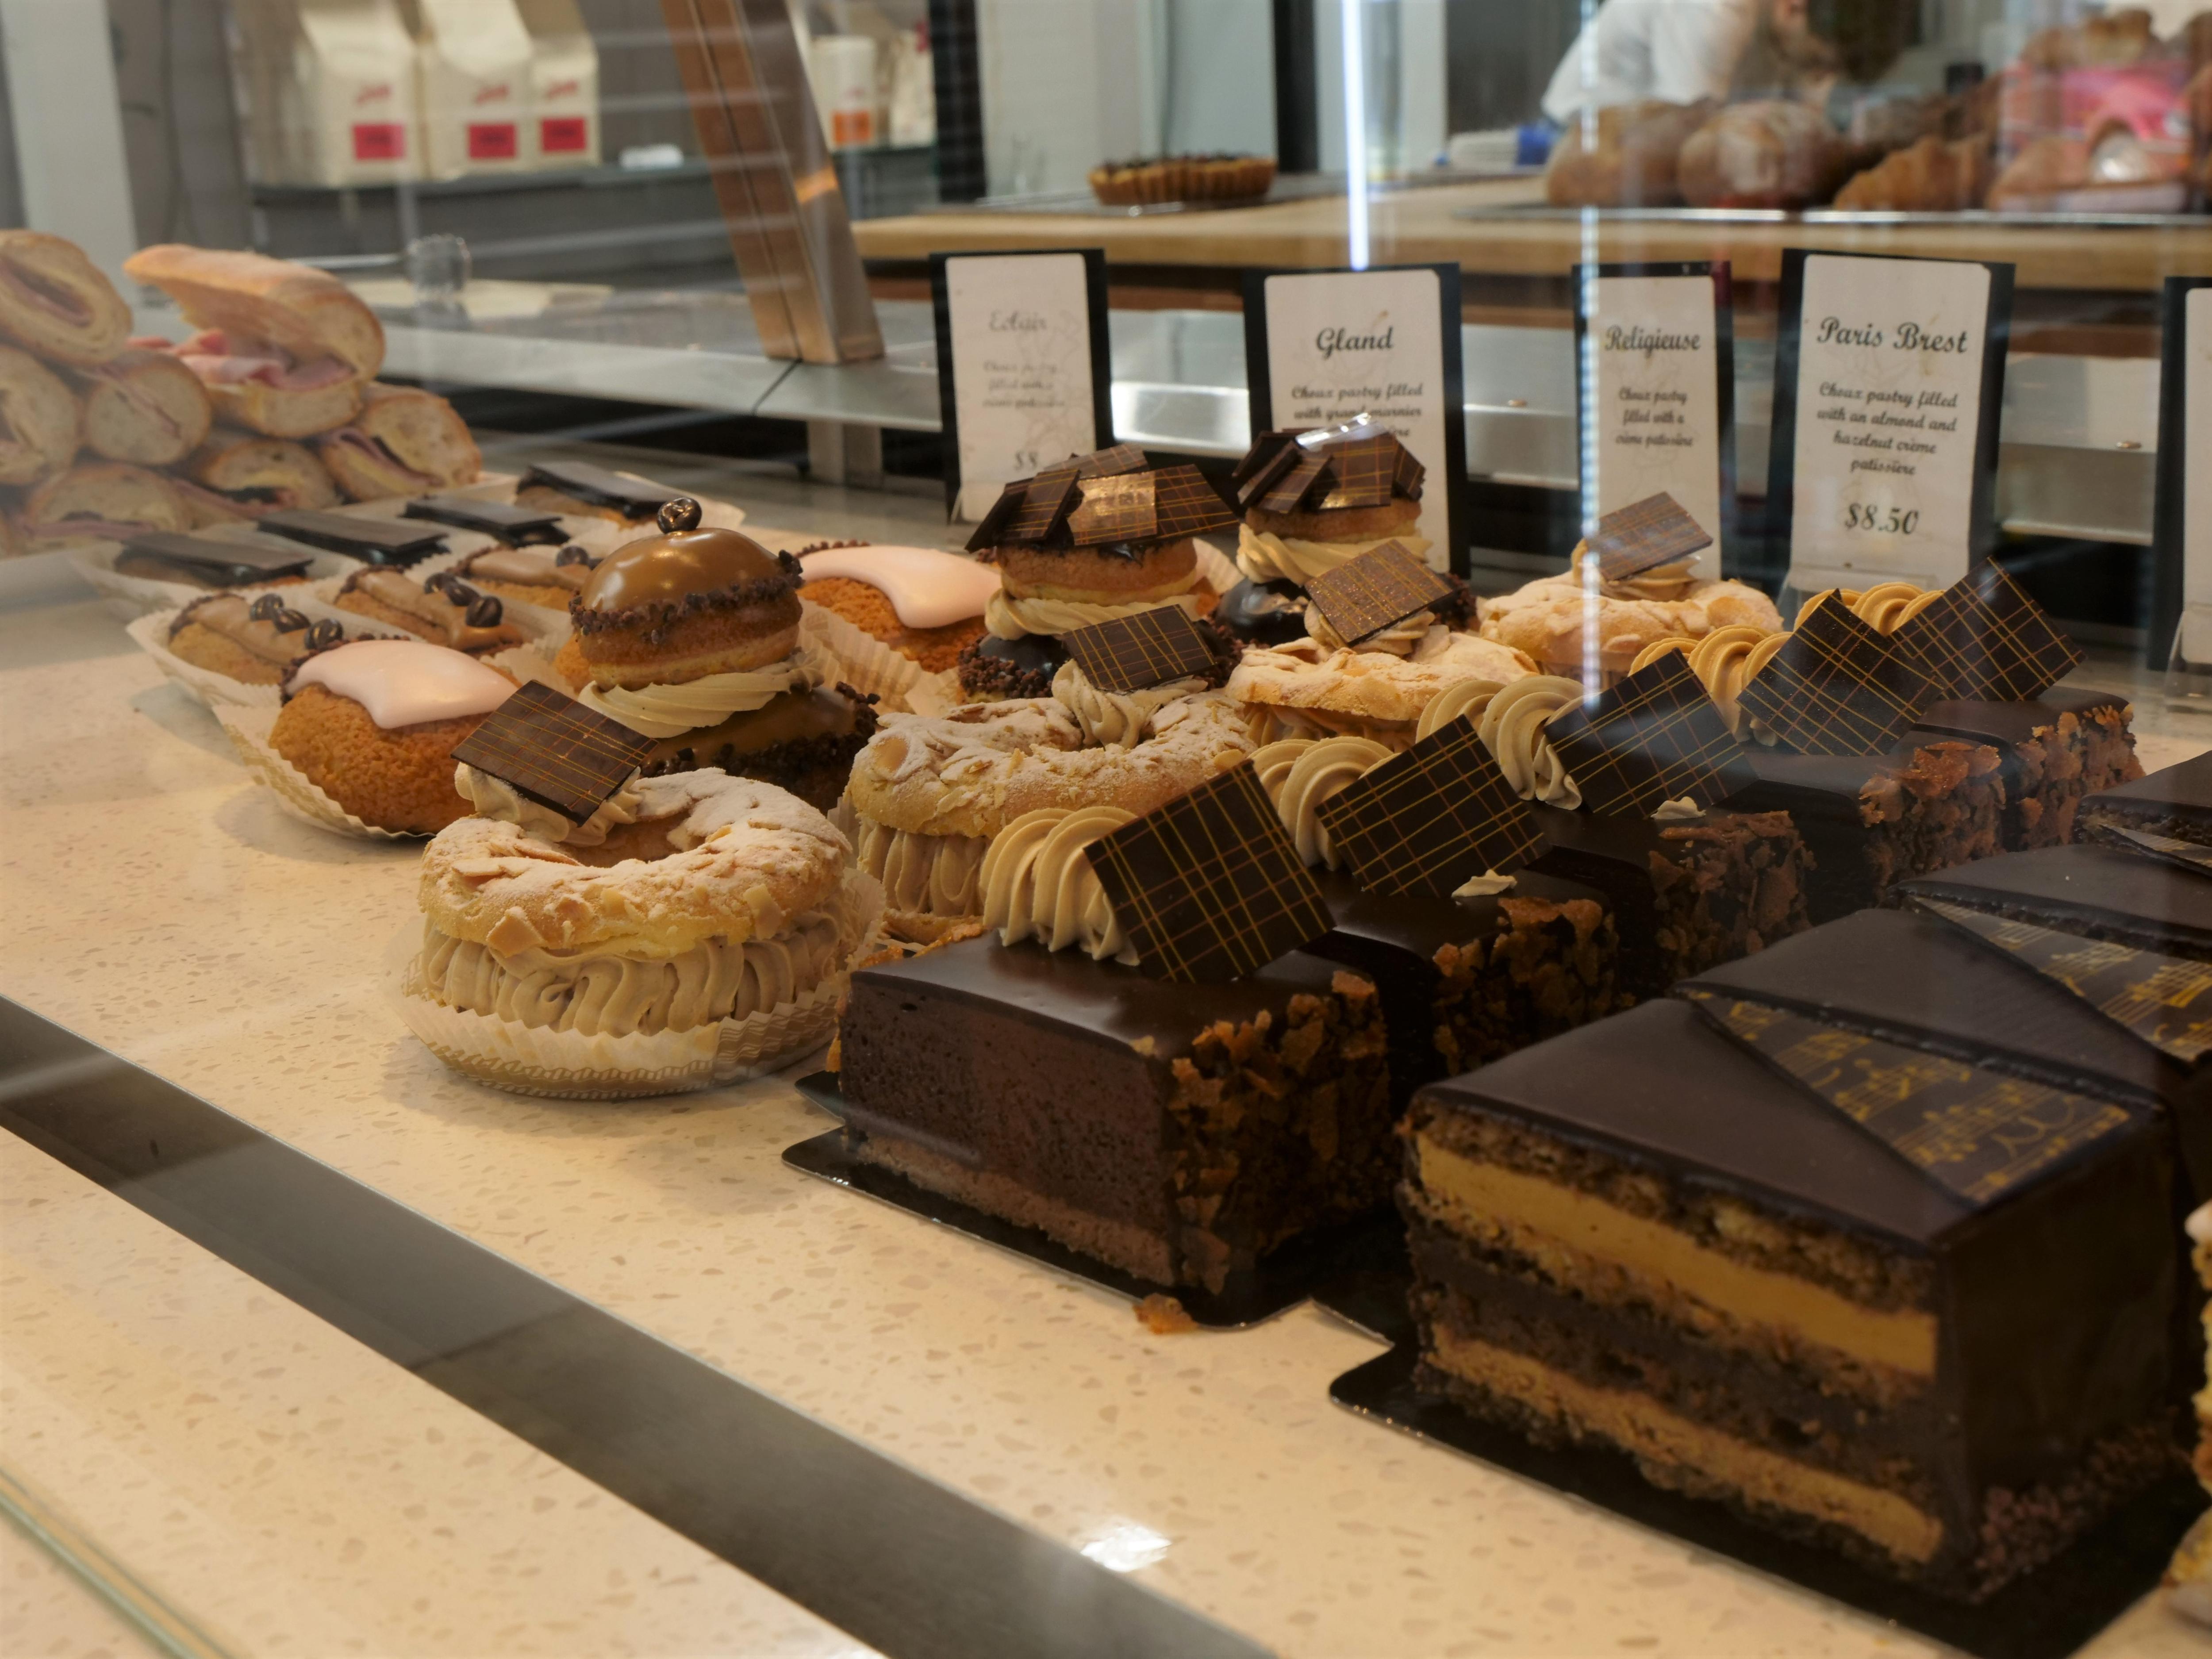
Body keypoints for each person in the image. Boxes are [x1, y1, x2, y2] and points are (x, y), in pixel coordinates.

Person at [1540, 0, 1834, 122]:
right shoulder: (1715, 11)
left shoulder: (1765, 25)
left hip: (1641, 147)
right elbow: (1691, 131)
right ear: (1794, 8)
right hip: (1577, 140)